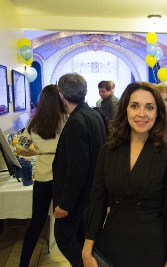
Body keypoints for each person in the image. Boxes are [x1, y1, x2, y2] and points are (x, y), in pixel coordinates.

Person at [82, 82, 167, 267]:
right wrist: (88, 247)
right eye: (134, 106)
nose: (142, 114)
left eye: (149, 107)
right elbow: (97, 200)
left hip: (152, 246)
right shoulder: (108, 151)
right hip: (112, 243)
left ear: (157, 113)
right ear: (125, 110)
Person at [53, 73, 106, 267]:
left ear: (61, 95)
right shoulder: (92, 113)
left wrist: (64, 204)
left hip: (79, 200)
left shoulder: (76, 121)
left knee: (64, 238)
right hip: (90, 196)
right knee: (84, 243)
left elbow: (76, 171)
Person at [17, 85, 68, 267]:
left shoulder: (32, 123)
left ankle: (24, 262)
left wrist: (38, 152)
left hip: (42, 176)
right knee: (68, 220)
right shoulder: (67, 120)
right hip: (62, 177)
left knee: (37, 222)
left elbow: (20, 149)